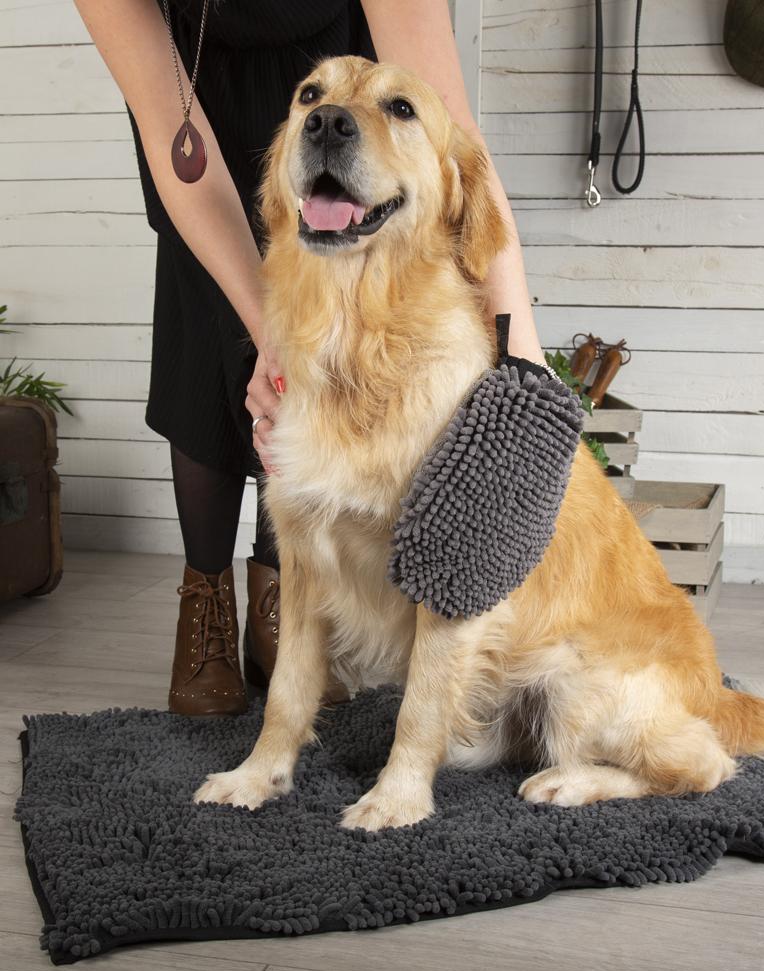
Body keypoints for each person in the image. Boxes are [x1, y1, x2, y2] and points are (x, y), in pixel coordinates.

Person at [74, 0, 547, 716]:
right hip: (198, 122)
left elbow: (457, 139)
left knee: (331, 377)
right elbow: (176, 141)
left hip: (350, 108)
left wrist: (524, 366)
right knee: (203, 346)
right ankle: (205, 600)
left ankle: (284, 598)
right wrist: (276, 334)